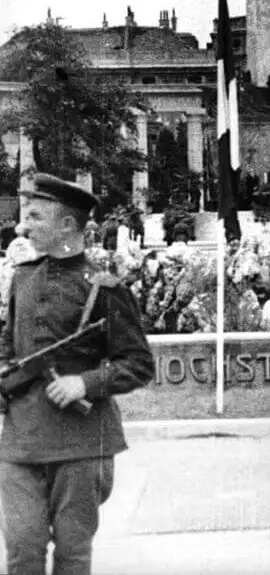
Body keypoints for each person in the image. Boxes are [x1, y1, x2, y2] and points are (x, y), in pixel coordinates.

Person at [0, 173, 155, 575]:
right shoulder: (23, 278)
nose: (23, 226)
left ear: (67, 225)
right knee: (22, 551)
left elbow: (138, 364)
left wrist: (84, 383)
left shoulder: (104, 289)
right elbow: (8, 346)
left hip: (80, 442)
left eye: (35, 216)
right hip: (20, 441)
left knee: (72, 556)